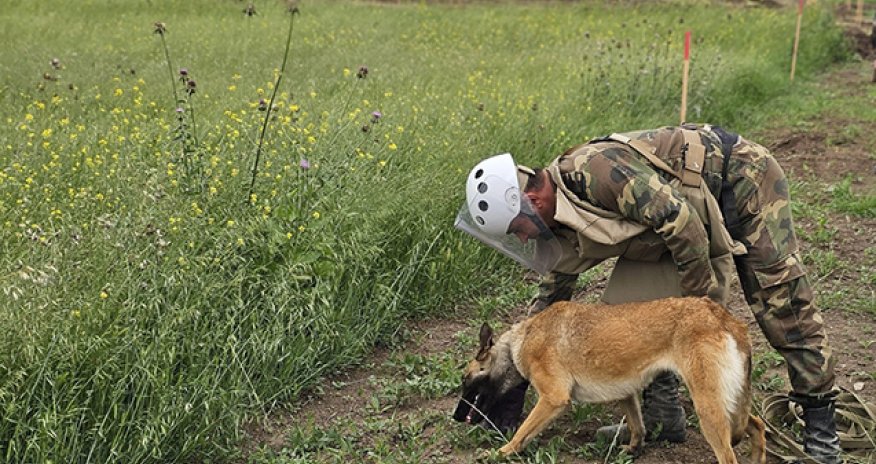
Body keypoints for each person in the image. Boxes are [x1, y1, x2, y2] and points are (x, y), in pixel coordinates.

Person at [456, 124, 843, 464]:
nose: (523, 238)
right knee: (622, 316)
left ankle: (821, 433)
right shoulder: (555, 218)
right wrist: (519, 366)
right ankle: (662, 417)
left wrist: (697, 313)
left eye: (518, 229)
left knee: (781, 304)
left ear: (533, 201)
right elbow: (553, 293)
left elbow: (684, 225)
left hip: (739, 178)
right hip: (680, 220)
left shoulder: (597, 173)